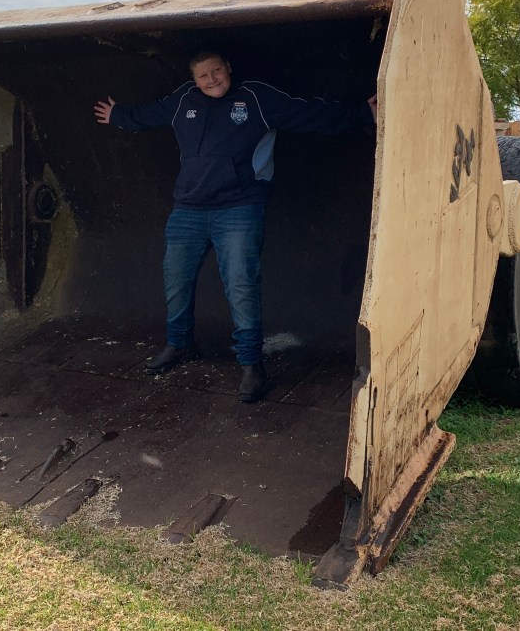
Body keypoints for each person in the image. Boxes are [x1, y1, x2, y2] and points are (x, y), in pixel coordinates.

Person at [94, 50, 376, 402]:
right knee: (176, 281)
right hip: (188, 209)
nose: (211, 80)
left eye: (216, 71)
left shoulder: (256, 97)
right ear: (194, 80)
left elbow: (308, 113)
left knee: (241, 286)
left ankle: (252, 366)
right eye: (203, 76)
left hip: (239, 207)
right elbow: (151, 113)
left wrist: (361, 113)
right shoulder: (183, 99)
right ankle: (180, 345)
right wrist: (119, 115)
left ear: (228, 68)